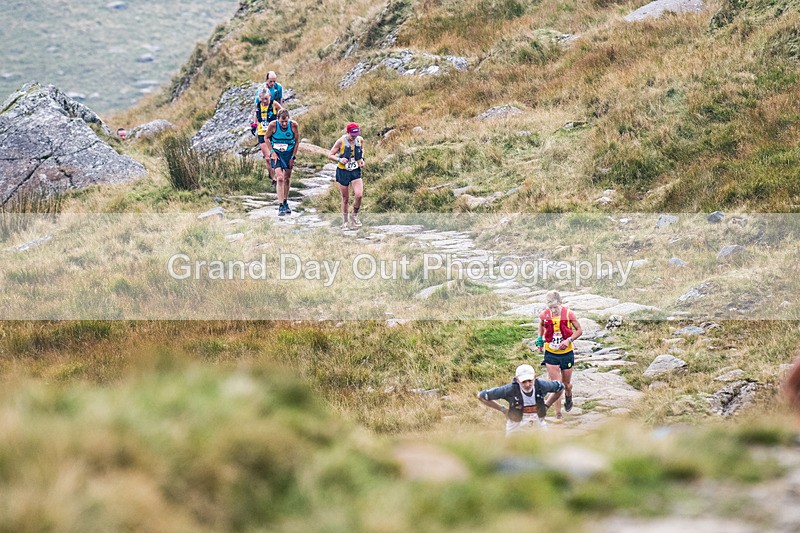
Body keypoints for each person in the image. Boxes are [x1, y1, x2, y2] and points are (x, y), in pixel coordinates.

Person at [535, 290, 582, 422]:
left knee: (566, 384)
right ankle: (558, 413)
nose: (553, 310)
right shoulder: (544, 315)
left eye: (555, 307)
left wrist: (568, 340)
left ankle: (569, 394)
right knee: (557, 385)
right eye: (550, 307)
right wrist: (539, 339)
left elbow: (579, 330)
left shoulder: (569, 314)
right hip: (551, 353)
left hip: (566, 353)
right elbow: (541, 325)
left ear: (561, 303)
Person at [478, 364, 565, 435]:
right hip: (516, 429)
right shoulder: (509, 390)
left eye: (530, 381)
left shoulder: (542, 385)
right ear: (517, 380)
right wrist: (503, 409)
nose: (527, 384)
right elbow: (481, 396)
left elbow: (560, 388)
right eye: (523, 381)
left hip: (539, 427)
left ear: (534, 377)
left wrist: (547, 405)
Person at [327, 123, 365, 230]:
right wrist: (339, 159)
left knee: (359, 195)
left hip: (355, 170)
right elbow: (330, 155)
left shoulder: (360, 140)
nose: (354, 137)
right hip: (343, 171)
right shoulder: (340, 141)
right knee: (345, 198)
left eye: (356, 135)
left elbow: (362, 150)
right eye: (352, 135)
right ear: (348, 132)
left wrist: (362, 159)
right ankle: (345, 221)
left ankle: (354, 216)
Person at [263, 109, 299, 216]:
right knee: (280, 178)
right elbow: (266, 138)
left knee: (287, 178)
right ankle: (280, 205)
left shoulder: (294, 125)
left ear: (289, 119)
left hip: (288, 153)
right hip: (277, 153)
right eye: (282, 122)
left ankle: (285, 201)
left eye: (286, 121)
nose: (284, 124)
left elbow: (297, 141)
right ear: (277, 119)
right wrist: (272, 152)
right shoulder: (273, 125)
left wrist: (293, 157)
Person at [255, 71, 284, 187]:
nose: (264, 101)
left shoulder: (274, 103)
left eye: (266, 99)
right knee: (267, 158)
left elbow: (283, 112)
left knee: (274, 155)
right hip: (262, 132)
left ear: (270, 97)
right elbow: (255, 113)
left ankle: (278, 176)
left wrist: (282, 123)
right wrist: (254, 125)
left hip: (273, 133)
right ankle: (273, 179)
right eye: (262, 99)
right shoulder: (258, 104)